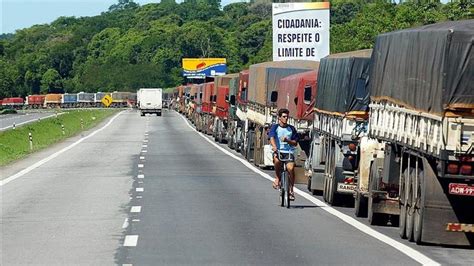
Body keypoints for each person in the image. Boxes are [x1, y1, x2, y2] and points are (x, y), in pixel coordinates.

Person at [268, 108, 298, 200]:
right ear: (279, 118)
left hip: (289, 152)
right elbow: (271, 137)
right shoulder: (275, 127)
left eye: (287, 117)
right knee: (277, 161)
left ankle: (291, 189)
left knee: (290, 168)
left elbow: (295, 142)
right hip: (279, 151)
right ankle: (277, 178)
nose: (286, 118)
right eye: (284, 117)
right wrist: (274, 146)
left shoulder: (291, 129)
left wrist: (288, 141)